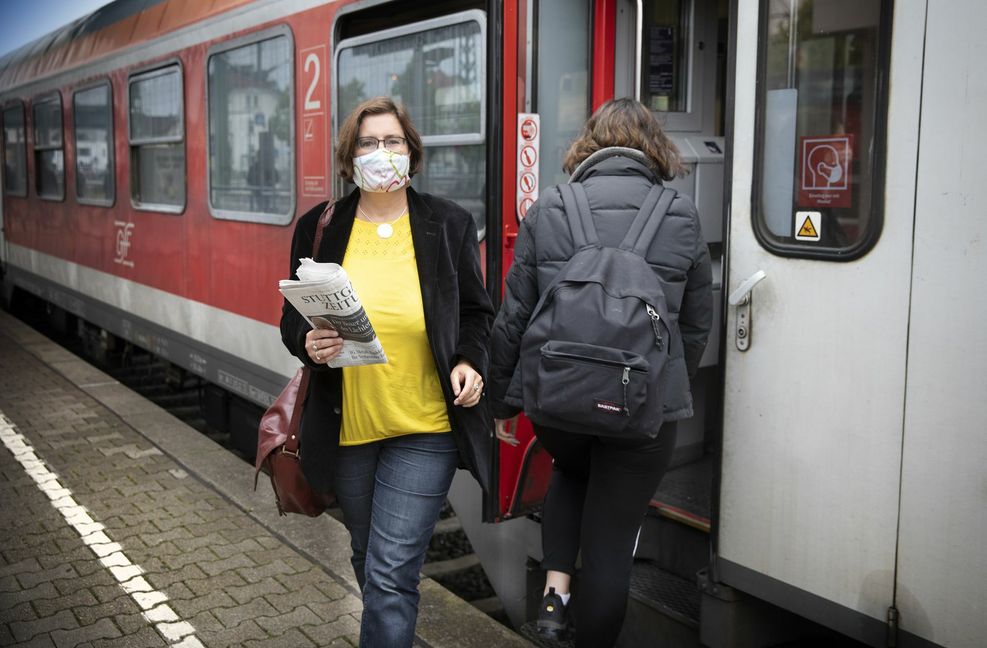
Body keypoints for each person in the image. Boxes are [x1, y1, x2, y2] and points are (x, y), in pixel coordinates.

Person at [488, 98, 713, 647]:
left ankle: (553, 601)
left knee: (570, 470)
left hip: (559, 402)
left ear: (589, 144)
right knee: (611, 545)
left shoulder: (549, 208)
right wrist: (659, 386)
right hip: (641, 416)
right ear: (654, 147)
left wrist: (501, 401)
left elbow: (515, 314)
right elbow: (698, 325)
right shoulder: (680, 214)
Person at [279, 96, 494, 647]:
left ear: (411, 152)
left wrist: (470, 361)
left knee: (392, 570)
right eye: (367, 143)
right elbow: (290, 322)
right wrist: (310, 342)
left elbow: (475, 312)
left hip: (425, 427)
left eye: (392, 141)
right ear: (349, 159)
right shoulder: (321, 227)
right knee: (367, 555)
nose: (381, 152)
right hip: (348, 424)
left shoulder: (448, 223)